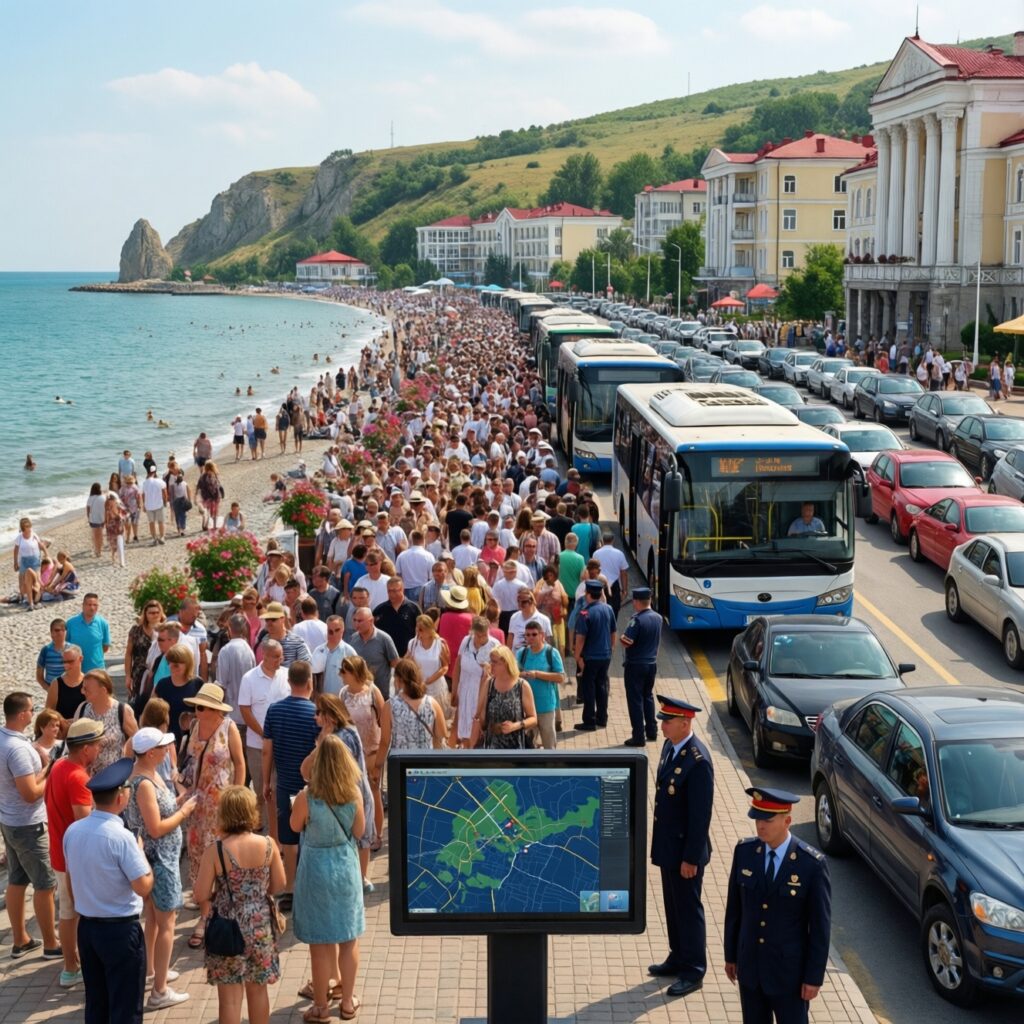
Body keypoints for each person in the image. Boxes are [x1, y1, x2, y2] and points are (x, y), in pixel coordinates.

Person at [724, 788, 832, 1024]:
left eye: (768, 820)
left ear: (787, 821)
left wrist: (813, 977)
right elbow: (735, 910)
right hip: (750, 970)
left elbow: (820, 928)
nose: (760, 826)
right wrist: (731, 955)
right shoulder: (744, 852)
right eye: (757, 819)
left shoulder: (811, 865)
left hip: (789, 977)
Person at [63, 757, 154, 1024]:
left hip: (88, 928)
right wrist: (141, 852)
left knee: (97, 1003)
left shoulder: (73, 831)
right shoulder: (122, 837)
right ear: (121, 797)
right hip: (120, 931)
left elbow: (70, 880)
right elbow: (143, 886)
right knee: (126, 1007)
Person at [194, 785, 285, 1024]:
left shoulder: (215, 851)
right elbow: (279, 885)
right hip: (261, 925)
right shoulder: (268, 844)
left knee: (230, 1000)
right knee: (258, 991)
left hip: (227, 927)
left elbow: (200, 894)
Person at [291, 735, 366, 1022]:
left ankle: (321, 1007)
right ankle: (347, 1002)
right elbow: (359, 832)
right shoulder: (354, 794)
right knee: (349, 939)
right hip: (344, 868)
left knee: (319, 944)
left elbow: (294, 825)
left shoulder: (306, 796)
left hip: (315, 871)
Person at [125, 728, 198, 1009]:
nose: (169, 749)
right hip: (160, 860)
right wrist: (184, 812)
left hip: (158, 858)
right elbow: (155, 828)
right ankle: (160, 991)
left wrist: (178, 801)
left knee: (154, 920)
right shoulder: (143, 783)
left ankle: (153, 971)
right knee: (167, 922)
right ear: (150, 752)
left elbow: (157, 812)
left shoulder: (148, 775)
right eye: (164, 746)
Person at [648, 695, 714, 999]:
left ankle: (694, 969)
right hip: (668, 847)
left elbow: (700, 818)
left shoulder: (698, 762)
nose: (662, 725)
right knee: (673, 907)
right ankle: (677, 956)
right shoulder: (670, 747)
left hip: (685, 853)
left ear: (685, 724)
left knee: (688, 909)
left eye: (668, 721)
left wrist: (690, 858)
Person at [181, 682, 246, 947]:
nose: (197, 710)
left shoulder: (229, 728)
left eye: (202, 707)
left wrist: (238, 799)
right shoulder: (195, 727)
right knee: (197, 857)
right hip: (197, 806)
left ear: (215, 709)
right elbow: (190, 764)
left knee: (220, 857)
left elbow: (239, 764)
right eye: (197, 706)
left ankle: (213, 915)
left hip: (221, 807)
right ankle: (206, 911)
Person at [44, 717, 106, 989]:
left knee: (68, 912)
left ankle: (73, 962)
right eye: (98, 745)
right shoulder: (79, 778)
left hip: (60, 852)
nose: (100, 749)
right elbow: (85, 822)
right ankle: (71, 968)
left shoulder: (59, 765)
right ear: (86, 749)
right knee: (71, 913)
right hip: (74, 859)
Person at [1, 692, 60, 960]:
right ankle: (50, 944)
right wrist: (52, 773)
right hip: (28, 825)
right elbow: (30, 793)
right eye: (32, 709)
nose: (33, 713)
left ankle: (20, 940)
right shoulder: (17, 749)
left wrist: (45, 769)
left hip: (10, 820)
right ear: (23, 714)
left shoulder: (4, 739)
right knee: (45, 884)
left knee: (17, 879)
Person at [262, 660, 320, 911]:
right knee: (310, 837)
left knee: (288, 839)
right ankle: (310, 888)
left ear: (288, 682)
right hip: (311, 787)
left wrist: (266, 781)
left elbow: (266, 751)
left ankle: (290, 889)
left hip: (284, 784)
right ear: (310, 682)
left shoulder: (274, 711)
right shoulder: (316, 713)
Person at [340, 656, 385, 849]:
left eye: (344, 671)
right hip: (350, 754)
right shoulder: (343, 693)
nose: (341, 674)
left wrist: (382, 752)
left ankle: (377, 834)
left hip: (372, 751)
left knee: (373, 793)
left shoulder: (373, 692)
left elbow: (384, 721)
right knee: (352, 794)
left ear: (354, 672)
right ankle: (356, 832)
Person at [469, 645, 537, 750]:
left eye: (494, 662)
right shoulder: (489, 684)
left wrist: (515, 726)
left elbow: (533, 719)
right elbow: (479, 717)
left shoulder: (522, 686)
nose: (491, 665)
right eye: (490, 661)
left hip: (515, 748)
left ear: (506, 663)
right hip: (492, 748)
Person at [73, 669, 138, 776]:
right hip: (87, 778)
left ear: (103, 690)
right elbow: (73, 743)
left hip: (115, 777)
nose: (82, 692)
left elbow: (136, 739)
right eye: (83, 688)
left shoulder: (122, 710)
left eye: (86, 689)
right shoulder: (82, 709)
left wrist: (126, 759)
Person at [378, 658, 448, 757]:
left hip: (400, 762)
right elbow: (441, 736)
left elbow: (385, 742)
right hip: (426, 762)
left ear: (398, 680)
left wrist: (378, 764)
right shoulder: (432, 703)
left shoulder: (390, 705)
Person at [573, 579, 617, 732]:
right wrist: (611, 649)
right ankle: (602, 718)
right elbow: (613, 631)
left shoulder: (585, 613)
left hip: (590, 657)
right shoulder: (608, 609)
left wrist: (577, 657)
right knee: (602, 686)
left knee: (589, 688)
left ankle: (589, 721)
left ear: (588, 594)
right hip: (605, 655)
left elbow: (580, 638)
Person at [620, 587, 662, 747]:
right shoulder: (658, 618)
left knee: (635, 700)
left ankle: (638, 736)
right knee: (648, 696)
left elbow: (627, 641)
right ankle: (652, 730)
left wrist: (621, 636)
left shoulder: (636, 620)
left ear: (637, 602)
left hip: (636, 665)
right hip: (651, 664)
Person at [514, 621, 565, 749]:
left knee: (549, 746)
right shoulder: (521, 653)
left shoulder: (551, 653)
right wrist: (521, 674)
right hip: (526, 709)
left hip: (546, 707)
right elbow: (512, 674)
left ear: (542, 635)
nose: (530, 638)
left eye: (534, 634)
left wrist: (537, 674)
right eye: (527, 635)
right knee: (527, 746)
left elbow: (560, 677)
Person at [450, 617, 499, 748]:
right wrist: (454, 691)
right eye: (478, 635)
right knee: (464, 728)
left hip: (483, 693)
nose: (481, 638)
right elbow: (457, 667)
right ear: (473, 632)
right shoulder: (466, 642)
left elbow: (500, 671)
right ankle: (466, 752)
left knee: (478, 729)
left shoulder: (495, 645)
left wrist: (489, 670)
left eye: (484, 635)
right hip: (465, 691)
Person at [349, 607, 399, 699]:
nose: (356, 624)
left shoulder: (384, 639)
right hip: (361, 695)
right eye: (354, 620)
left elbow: (395, 663)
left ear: (371, 621)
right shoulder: (353, 639)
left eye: (360, 621)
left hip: (382, 694)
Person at [407, 613, 451, 718]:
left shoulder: (440, 644)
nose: (417, 632)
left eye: (421, 629)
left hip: (436, 688)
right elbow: (407, 662)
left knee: (437, 718)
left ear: (429, 630)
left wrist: (430, 679)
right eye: (416, 628)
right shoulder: (412, 644)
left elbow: (445, 667)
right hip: (419, 688)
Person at [124, 600, 164, 703]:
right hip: (138, 673)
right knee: (138, 703)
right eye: (151, 613)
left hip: (158, 672)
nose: (155, 615)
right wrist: (128, 676)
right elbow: (129, 654)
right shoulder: (136, 631)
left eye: (157, 612)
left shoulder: (165, 631)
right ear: (145, 614)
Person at [65, 592, 111, 672]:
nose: (92, 608)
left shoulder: (103, 623)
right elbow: (66, 645)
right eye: (89, 605)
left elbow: (105, 647)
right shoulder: (71, 623)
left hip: (97, 669)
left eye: (95, 605)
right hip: (76, 670)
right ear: (83, 605)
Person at [13, 516, 46, 611]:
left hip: (35, 560)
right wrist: (15, 562)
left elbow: (41, 545)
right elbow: (16, 550)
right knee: (23, 581)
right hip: (24, 561)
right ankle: (23, 597)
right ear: (23, 528)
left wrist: (46, 554)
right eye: (27, 527)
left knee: (36, 579)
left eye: (29, 526)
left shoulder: (34, 535)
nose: (29, 528)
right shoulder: (19, 538)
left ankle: (35, 598)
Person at [36, 617, 68, 691]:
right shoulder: (45, 650)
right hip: (51, 688)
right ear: (51, 633)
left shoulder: (72, 650)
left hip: (68, 689)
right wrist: (48, 689)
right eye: (57, 630)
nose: (60, 632)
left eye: (63, 630)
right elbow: (39, 676)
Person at [141, 466, 168, 546]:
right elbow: (164, 492)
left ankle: (154, 538)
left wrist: (144, 505)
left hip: (149, 505)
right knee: (161, 522)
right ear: (155, 472)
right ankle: (162, 537)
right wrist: (165, 502)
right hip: (159, 504)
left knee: (151, 523)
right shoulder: (160, 481)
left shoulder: (145, 483)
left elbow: (143, 495)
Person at [86, 481, 106, 557]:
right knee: (100, 535)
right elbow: (106, 509)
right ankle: (99, 550)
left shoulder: (90, 498)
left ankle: (96, 550)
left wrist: (88, 517)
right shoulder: (103, 497)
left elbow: (88, 509)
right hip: (101, 519)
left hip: (93, 519)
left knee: (95, 535)